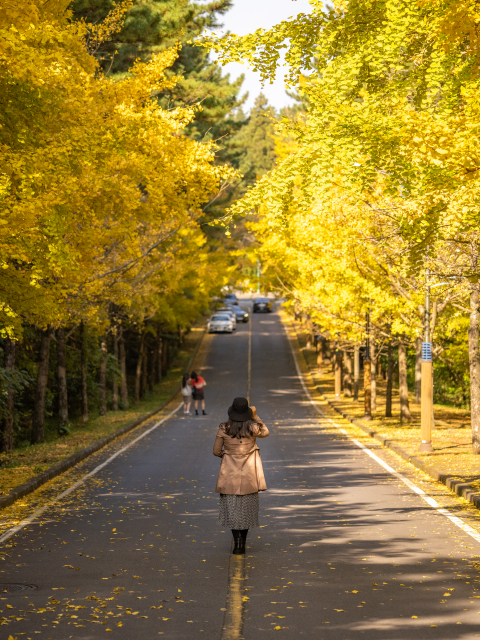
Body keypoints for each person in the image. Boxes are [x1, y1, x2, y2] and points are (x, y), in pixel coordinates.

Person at [213, 397, 269, 555]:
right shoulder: (252, 428)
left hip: (229, 476)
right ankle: (242, 544)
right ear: (247, 413)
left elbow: (216, 451)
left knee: (233, 511)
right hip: (249, 476)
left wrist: (228, 454)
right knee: (246, 511)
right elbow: (266, 432)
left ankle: (236, 544)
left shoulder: (224, 428)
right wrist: (256, 417)